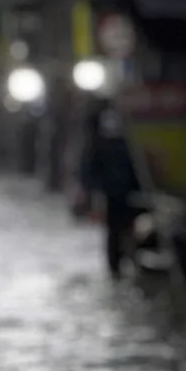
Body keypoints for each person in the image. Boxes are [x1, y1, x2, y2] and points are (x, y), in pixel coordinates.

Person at [80, 103, 140, 279]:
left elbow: (134, 170)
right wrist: (94, 193)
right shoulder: (98, 145)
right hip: (111, 195)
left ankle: (128, 260)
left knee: (128, 229)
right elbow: (90, 171)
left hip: (128, 194)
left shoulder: (126, 144)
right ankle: (115, 267)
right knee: (114, 232)